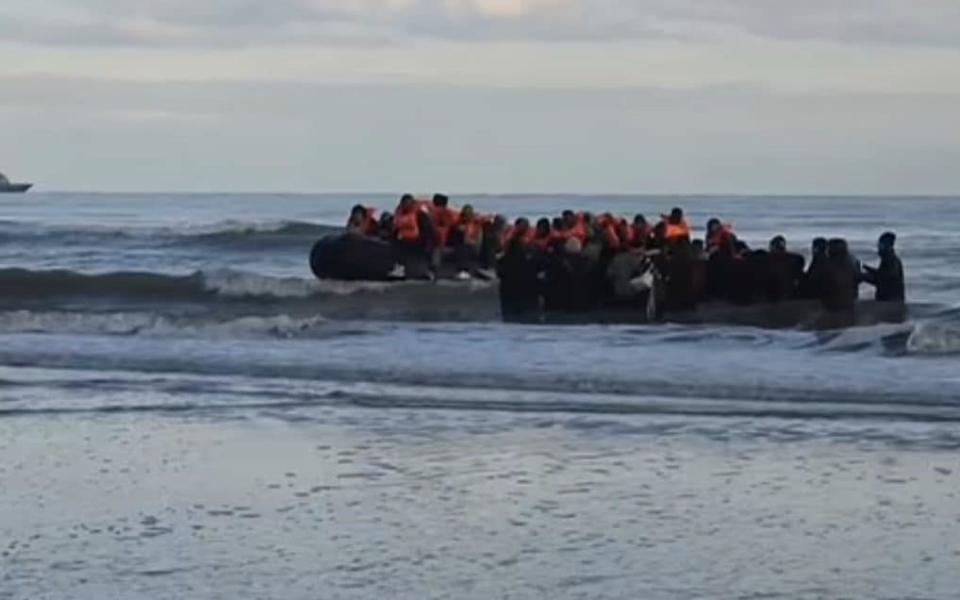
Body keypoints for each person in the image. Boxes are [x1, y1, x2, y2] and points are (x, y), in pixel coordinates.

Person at [497, 237, 542, 322]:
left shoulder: (503, 262)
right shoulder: (529, 262)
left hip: (509, 300)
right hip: (528, 301)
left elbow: (499, 273)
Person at [390, 194, 434, 279]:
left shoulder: (420, 214)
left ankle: (429, 270)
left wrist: (427, 245)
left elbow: (428, 231)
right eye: (404, 204)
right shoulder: (399, 214)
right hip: (405, 240)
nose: (406, 206)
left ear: (412, 204)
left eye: (408, 203)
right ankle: (399, 268)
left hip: (420, 240)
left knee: (429, 248)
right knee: (397, 244)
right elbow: (395, 229)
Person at [862, 231, 905, 302]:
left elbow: (882, 280)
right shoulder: (890, 259)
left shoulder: (891, 261)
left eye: (880, 245)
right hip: (892, 300)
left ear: (888, 246)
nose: (878, 248)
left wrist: (863, 276)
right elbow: (881, 274)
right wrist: (863, 267)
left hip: (890, 302)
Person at [763, 235, 805, 302]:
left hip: (773, 298)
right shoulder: (795, 259)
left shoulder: (767, 259)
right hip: (791, 295)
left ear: (772, 247)